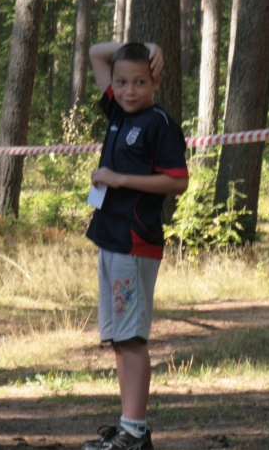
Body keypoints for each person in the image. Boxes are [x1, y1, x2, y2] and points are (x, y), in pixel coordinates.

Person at [80, 42, 189, 450]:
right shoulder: (117, 113)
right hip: (108, 238)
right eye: (122, 82)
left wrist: (120, 179)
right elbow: (95, 52)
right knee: (119, 338)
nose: (128, 90)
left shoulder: (159, 124)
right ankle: (129, 427)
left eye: (139, 82)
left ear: (155, 81)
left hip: (135, 241)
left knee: (133, 339)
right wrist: (149, 43)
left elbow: (177, 181)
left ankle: (135, 430)